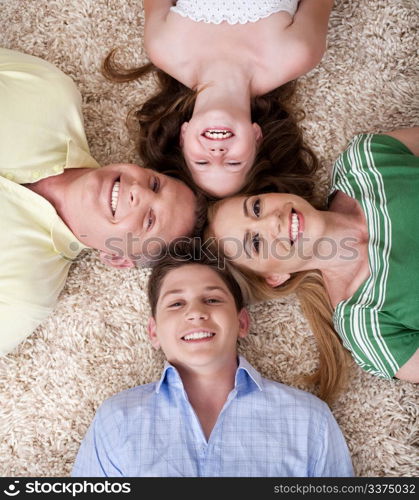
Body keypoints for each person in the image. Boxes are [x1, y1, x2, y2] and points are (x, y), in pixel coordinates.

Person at [71, 243, 353, 477]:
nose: (195, 313)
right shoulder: (117, 420)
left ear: (242, 322)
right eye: (176, 303)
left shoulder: (308, 421)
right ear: (153, 331)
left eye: (213, 300)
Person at [0, 48, 204, 355]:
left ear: (118, 258)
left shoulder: (23, 296)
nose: (140, 192)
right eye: (155, 183)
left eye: (149, 220)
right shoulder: (50, 95)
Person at [205, 128, 419, 402]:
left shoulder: (364, 162)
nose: (272, 220)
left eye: (256, 208)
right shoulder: (367, 326)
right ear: (275, 277)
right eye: (255, 243)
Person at [103, 0, 334, 198]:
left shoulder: (162, 48)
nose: (217, 154)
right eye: (234, 164)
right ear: (257, 138)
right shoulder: (298, 53)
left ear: (183, 136)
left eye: (201, 163)